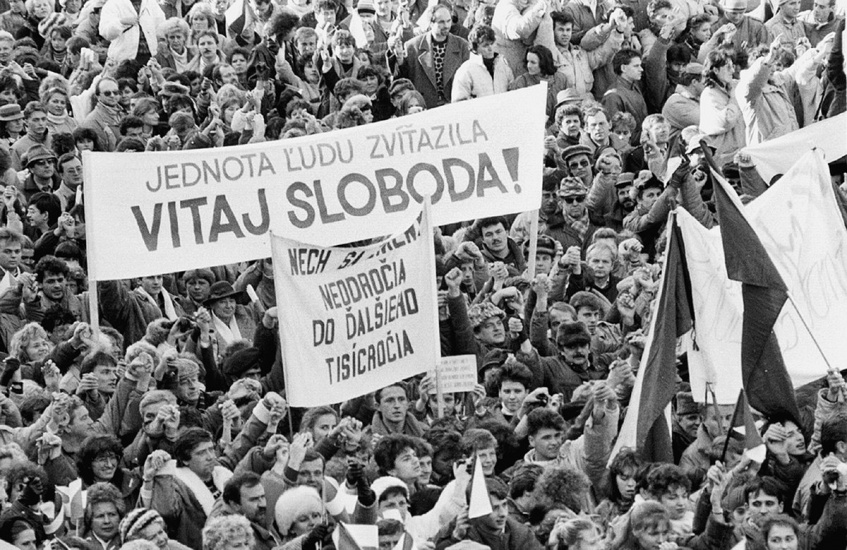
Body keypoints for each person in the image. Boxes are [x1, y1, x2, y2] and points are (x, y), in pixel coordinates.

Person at [391, 4, 470, 108]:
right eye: (441, 22)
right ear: (431, 23)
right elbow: (403, 80)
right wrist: (400, 59)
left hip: (454, 105)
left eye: (448, 21)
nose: (446, 25)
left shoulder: (462, 46)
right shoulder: (413, 47)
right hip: (425, 107)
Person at [452, 24, 514, 101]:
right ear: (475, 48)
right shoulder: (466, 70)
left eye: (492, 44)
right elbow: (459, 101)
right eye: (485, 45)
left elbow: (512, 92)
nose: (490, 48)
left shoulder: (504, 66)